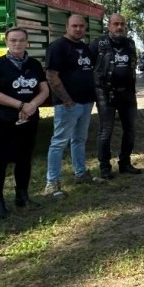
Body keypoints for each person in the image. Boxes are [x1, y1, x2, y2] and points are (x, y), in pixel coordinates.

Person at [0, 27, 50, 218]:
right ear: (6, 42)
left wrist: (31, 107)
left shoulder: (35, 65)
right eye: (13, 40)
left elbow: (44, 91)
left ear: (27, 42)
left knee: (24, 158)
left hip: (28, 119)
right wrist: (21, 105)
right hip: (3, 119)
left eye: (21, 40)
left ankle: (22, 195)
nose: (17, 44)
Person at [44, 14, 97, 197]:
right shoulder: (58, 47)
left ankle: (80, 173)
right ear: (66, 26)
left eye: (81, 26)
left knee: (79, 140)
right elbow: (51, 75)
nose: (78, 29)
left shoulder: (83, 47)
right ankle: (52, 183)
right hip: (68, 104)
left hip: (86, 102)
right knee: (59, 143)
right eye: (74, 26)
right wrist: (66, 100)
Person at [90, 13, 142, 180]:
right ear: (109, 26)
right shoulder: (98, 43)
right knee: (106, 131)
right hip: (105, 93)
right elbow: (89, 66)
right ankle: (105, 167)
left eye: (122, 24)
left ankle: (125, 163)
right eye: (115, 24)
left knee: (131, 130)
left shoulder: (130, 43)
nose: (119, 27)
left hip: (127, 93)